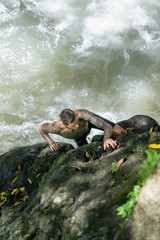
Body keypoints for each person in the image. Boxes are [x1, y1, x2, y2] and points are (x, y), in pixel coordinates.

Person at [37, 109, 125, 151]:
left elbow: (107, 126)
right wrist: (51, 142)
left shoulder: (83, 115)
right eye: (73, 125)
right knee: (87, 152)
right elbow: (40, 128)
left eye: (77, 121)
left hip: (88, 124)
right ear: (65, 125)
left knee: (121, 132)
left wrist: (106, 138)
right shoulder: (56, 128)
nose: (77, 125)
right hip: (78, 137)